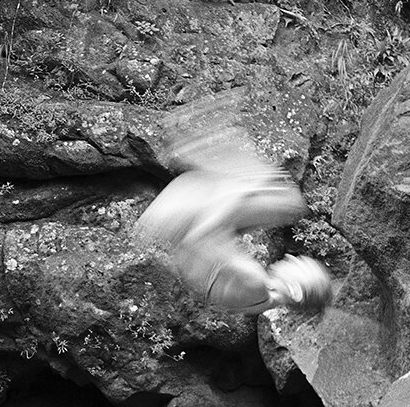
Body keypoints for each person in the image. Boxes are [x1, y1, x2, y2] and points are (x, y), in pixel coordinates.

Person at [132, 125, 333, 315]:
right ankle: (210, 153)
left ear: (295, 291)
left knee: (284, 201)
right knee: (284, 201)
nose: (290, 258)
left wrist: (240, 191)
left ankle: (204, 150)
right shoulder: (262, 299)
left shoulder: (254, 281)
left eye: (298, 264)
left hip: (176, 216)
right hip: (178, 218)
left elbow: (198, 238)